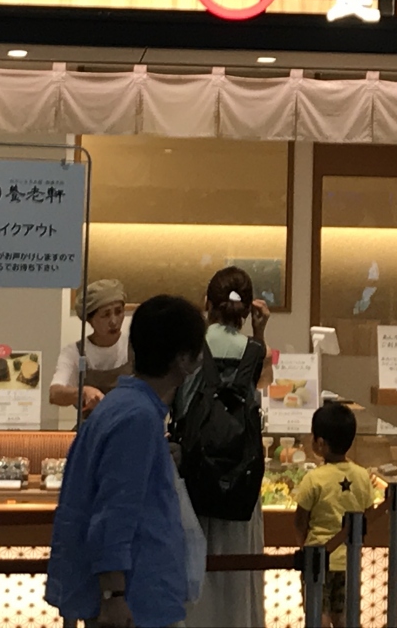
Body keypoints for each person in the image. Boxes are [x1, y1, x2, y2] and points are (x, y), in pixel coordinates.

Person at [45, 294, 206, 628]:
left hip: (131, 597)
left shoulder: (120, 406)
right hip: (134, 600)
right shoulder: (138, 418)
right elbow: (115, 513)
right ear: (185, 360)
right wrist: (113, 596)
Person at [175, 266, 272, 628]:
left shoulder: (189, 349)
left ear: (206, 303)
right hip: (239, 484)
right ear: (248, 309)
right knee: (236, 578)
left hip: (193, 477)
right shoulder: (254, 350)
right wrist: (259, 332)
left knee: (194, 572)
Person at [294, 402, 378, 628]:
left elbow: (300, 521)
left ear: (320, 443)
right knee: (344, 617)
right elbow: (368, 515)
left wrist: (304, 548)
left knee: (318, 616)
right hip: (349, 560)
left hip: (318, 559)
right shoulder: (362, 476)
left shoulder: (313, 478)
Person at [49, 279, 131, 417]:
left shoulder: (135, 347)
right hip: (91, 425)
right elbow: (54, 394)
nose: (114, 321)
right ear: (89, 319)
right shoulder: (75, 352)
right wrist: (83, 392)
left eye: (118, 312)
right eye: (105, 315)